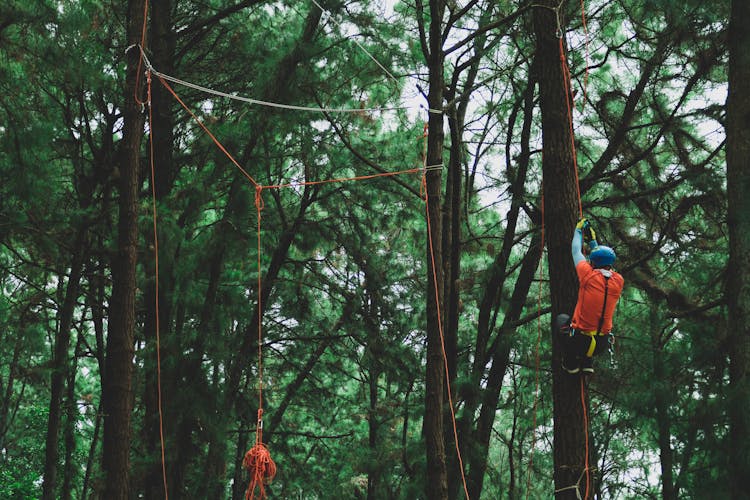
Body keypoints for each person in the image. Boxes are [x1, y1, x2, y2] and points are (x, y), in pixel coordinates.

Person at [558, 218, 624, 375]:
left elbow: (575, 251)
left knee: (561, 320)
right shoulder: (618, 281)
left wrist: (578, 231)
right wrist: (592, 241)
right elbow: (601, 261)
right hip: (601, 344)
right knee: (593, 327)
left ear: (592, 263)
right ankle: (587, 362)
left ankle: (571, 364)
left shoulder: (587, 275)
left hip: (580, 342)